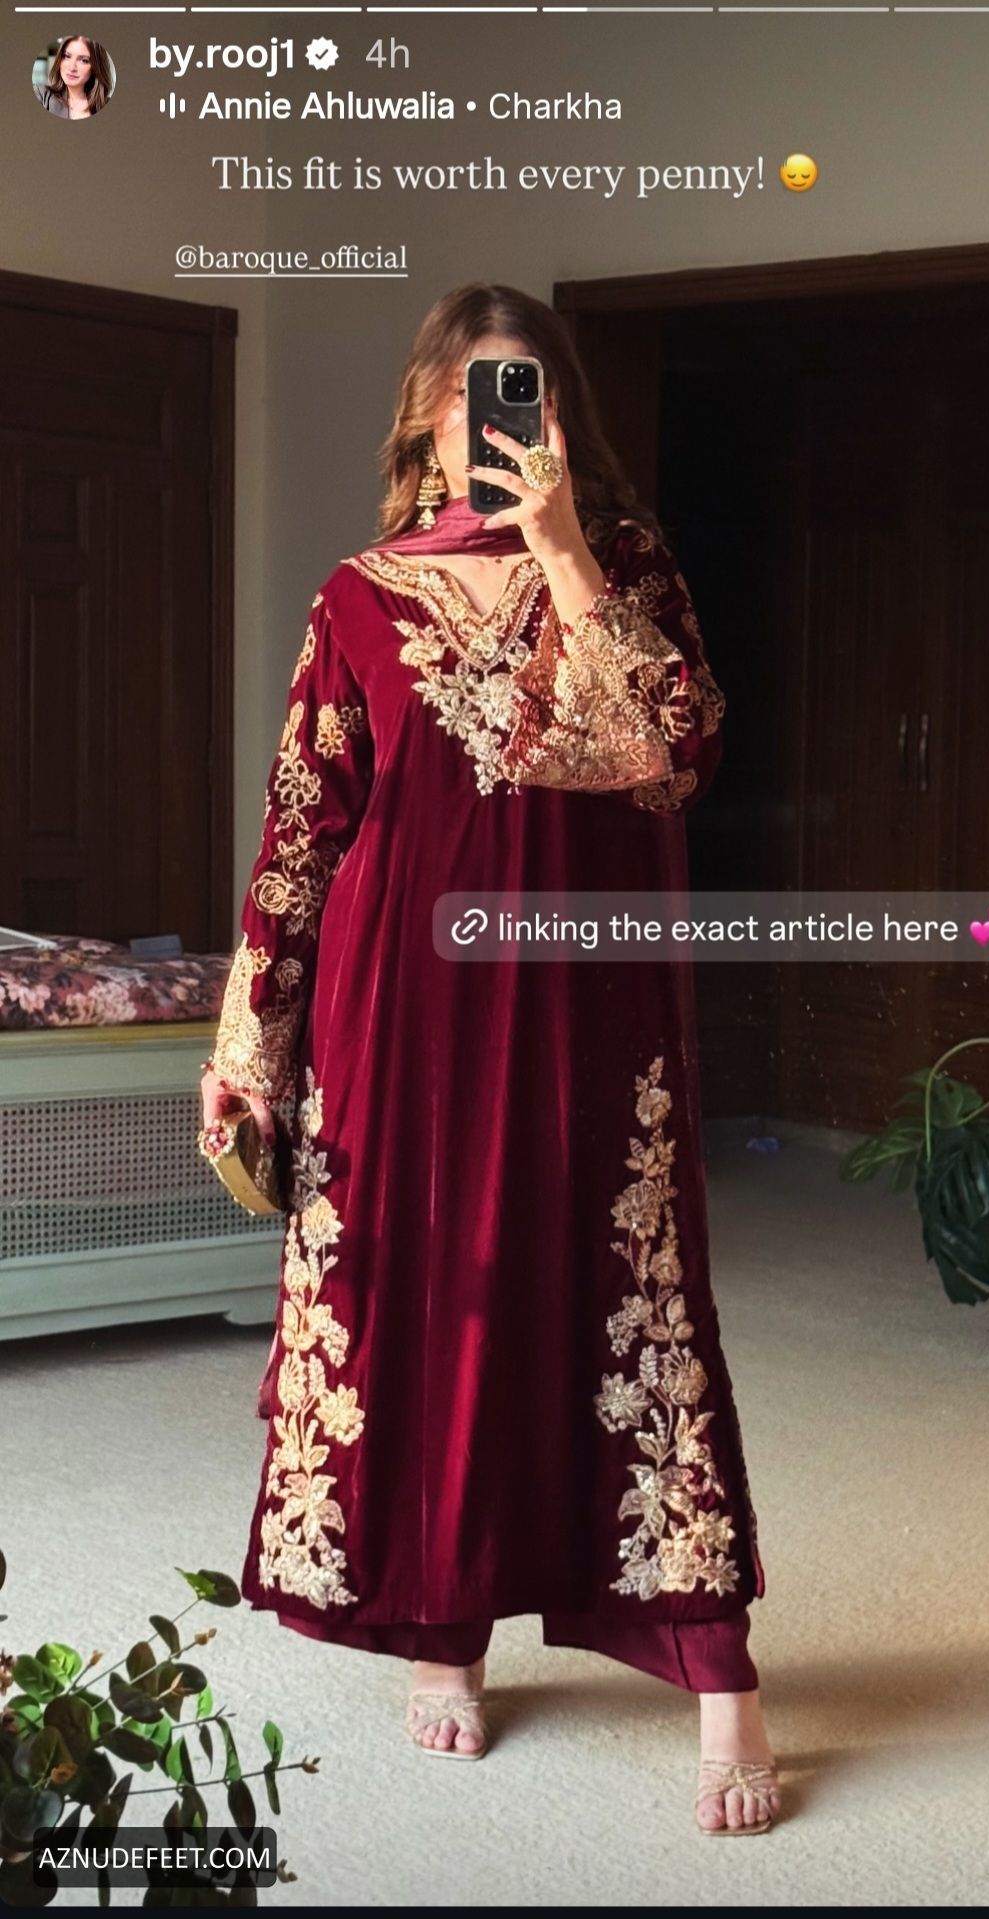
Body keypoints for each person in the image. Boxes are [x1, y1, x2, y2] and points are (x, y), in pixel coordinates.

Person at [200, 282, 781, 1834]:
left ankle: (718, 1670)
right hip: (401, 1005)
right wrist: (251, 1042)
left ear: (562, 415)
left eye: (529, 393)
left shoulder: (627, 562)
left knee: (630, 1298)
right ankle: (442, 1623)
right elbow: (302, 836)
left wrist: (568, 550)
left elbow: (674, 750)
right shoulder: (357, 597)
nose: (500, 423)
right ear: (425, 415)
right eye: (475, 395)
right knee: (433, 1303)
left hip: (589, 1003)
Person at [35, 35, 112, 117]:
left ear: (96, 67)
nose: (72, 68)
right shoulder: (42, 95)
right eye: (67, 56)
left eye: (84, 60)